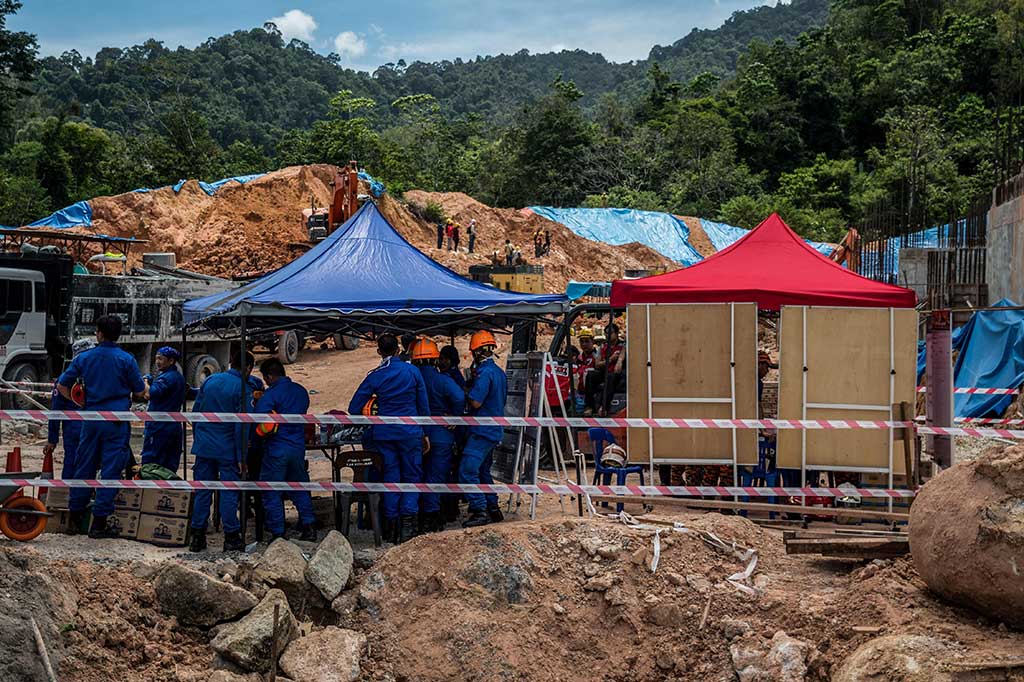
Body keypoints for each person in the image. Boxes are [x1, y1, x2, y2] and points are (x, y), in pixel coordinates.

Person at [58, 315, 146, 538]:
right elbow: (139, 392)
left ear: (99, 333)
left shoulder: (85, 358)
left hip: (91, 419)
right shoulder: (126, 360)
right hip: (116, 421)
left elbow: (61, 385)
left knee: (84, 465)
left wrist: (79, 401)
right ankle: (98, 524)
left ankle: (74, 520)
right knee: (110, 469)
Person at [349, 333, 430, 543]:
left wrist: (373, 413)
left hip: (384, 434)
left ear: (379, 352)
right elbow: (423, 406)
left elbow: (353, 407)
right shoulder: (413, 371)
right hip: (411, 432)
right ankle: (407, 528)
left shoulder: (375, 375)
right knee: (412, 476)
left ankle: (391, 527)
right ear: (398, 350)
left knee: (391, 478)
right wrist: (425, 432)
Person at [188, 350, 255, 552]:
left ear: (231, 362)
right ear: (248, 368)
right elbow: (242, 426)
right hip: (227, 450)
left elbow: (196, 413)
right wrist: (241, 456)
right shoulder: (244, 388)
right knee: (228, 493)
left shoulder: (210, 381)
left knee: (202, 492)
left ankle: (197, 537)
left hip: (204, 447)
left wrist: (202, 435)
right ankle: (231, 537)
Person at [254, 358, 317, 542]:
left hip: (276, 448)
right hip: (297, 448)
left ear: (270, 376)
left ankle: (278, 533)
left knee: (272, 491)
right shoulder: (301, 391)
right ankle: (309, 526)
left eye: (266, 379)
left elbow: (257, 417)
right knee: (299, 488)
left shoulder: (271, 394)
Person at [410, 338, 465, 532]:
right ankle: (432, 517)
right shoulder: (443, 380)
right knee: (435, 476)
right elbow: (459, 397)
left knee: (415, 474)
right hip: (441, 435)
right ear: (435, 359)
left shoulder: (411, 378)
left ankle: (413, 516)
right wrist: (454, 417)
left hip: (414, 434)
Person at [460, 330, 507, 527]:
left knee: (467, 471)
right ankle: (493, 508)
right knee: (483, 472)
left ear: (478, 352)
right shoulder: (499, 372)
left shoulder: (486, 373)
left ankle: (479, 510)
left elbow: (477, 403)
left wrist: (466, 390)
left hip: (482, 431)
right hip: (493, 430)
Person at [44, 339, 96, 479]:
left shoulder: (67, 378)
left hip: (85, 427)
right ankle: (72, 495)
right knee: (79, 463)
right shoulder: (67, 379)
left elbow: (55, 410)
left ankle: (75, 495)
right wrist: (52, 438)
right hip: (82, 428)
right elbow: (56, 410)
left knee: (81, 463)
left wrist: (52, 439)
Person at [139, 346, 187, 474]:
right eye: (156, 358)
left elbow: (149, 394)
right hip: (173, 426)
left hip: (159, 427)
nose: (157, 362)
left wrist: (145, 381)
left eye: (161, 359)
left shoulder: (166, 378)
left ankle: (151, 492)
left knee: (151, 465)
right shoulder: (178, 377)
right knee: (169, 465)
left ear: (171, 361)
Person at [585, 323, 626, 416]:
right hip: (605, 371)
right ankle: (589, 406)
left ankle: (604, 407)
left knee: (611, 377)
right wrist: (610, 359)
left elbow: (622, 356)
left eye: (610, 333)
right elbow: (597, 364)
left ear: (616, 333)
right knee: (591, 375)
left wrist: (619, 361)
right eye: (606, 333)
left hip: (618, 375)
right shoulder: (603, 347)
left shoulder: (622, 345)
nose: (608, 335)